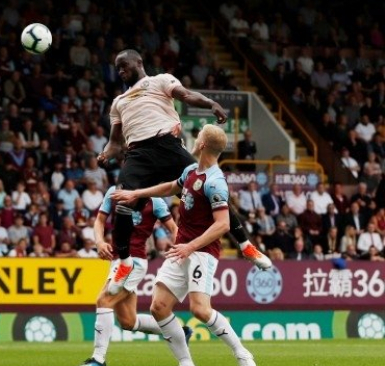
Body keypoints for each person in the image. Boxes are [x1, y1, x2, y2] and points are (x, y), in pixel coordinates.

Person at [98, 49, 271, 295]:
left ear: (139, 62)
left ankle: (246, 246)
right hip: (137, 155)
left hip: (168, 146)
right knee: (122, 202)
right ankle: (124, 262)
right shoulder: (119, 102)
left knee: (211, 191)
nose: (120, 71)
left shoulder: (159, 81)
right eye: (117, 68)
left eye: (124, 65)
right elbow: (115, 142)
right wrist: (106, 154)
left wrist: (211, 103)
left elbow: (187, 95)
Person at [112, 125, 256, 366]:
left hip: (201, 250)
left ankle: (242, 353)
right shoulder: (191, 170)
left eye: (198, 135)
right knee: (159, 306)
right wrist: (137, 192)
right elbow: (169, 187)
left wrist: (190, 246)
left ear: (201, 145)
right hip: (183, 248)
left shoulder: (215, 182)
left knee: (200, 309)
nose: (195, 138)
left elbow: (222, 225)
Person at [75, 184, 190, 366]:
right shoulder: (114, 191)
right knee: (128, 321)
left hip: (134, 262)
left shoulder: (155, 200)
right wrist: (99, 241)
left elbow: (175, 230)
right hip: (118, 260)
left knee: (103, 300)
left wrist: (183, 252)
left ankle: (98, 359)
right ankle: (179, 332)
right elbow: (99, 221)